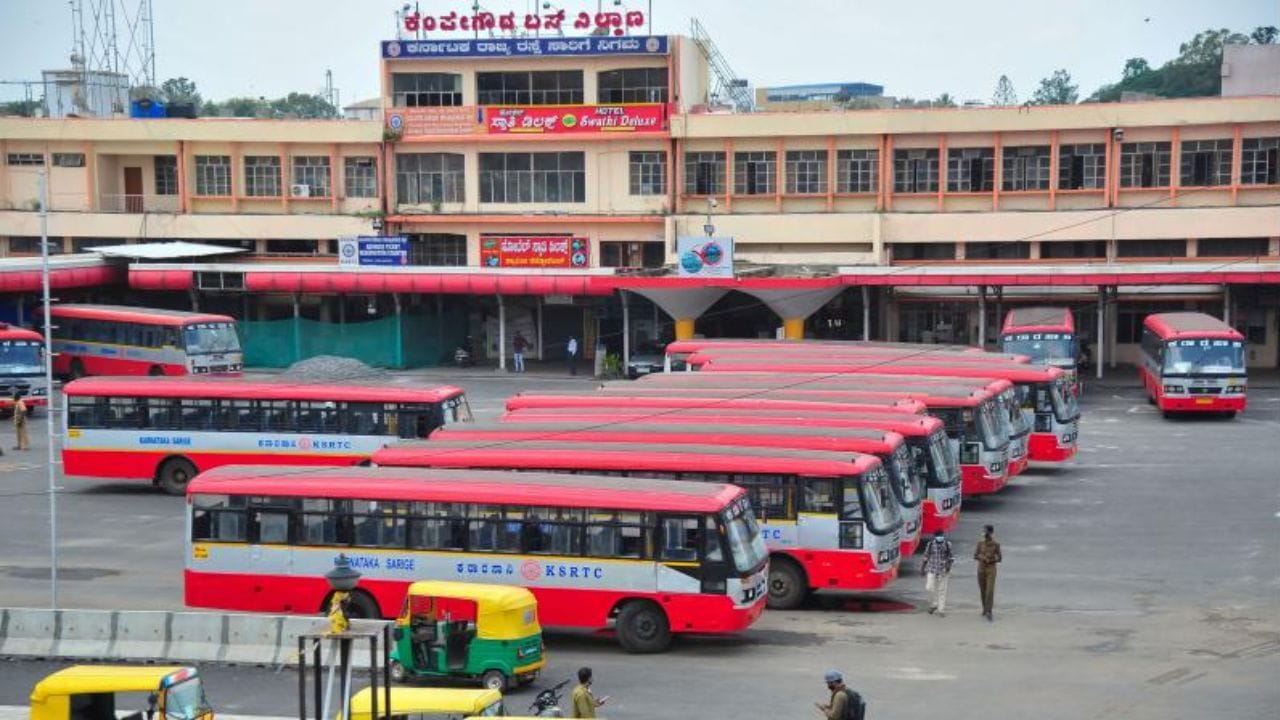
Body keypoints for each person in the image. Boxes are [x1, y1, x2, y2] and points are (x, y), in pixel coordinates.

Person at [921, 529, 954, 616]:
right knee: (929, 587)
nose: (940, 537)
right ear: (935, 537)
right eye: (938, 536)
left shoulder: (947, 544)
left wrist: (948, 566)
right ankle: (934, 604)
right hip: (932, 569)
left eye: (941, 535)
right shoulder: (930, 544)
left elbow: (951, 557)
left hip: (943, 570)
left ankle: (941, 610)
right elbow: (926, 557)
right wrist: (922, 569)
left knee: (942, 590)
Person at [974, 524, 1003, 621]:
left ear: (990, 532)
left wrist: (992, 559)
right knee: (983, 590)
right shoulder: (980, 543)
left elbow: (1000, 558)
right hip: (981, 568)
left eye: (985, 531)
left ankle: (989, 611)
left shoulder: (996, 544)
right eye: (983, 531)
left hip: (991, 569)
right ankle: (984, 609)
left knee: (990, 590)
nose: (983, 533)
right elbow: (975, 555)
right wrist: (982, 558)